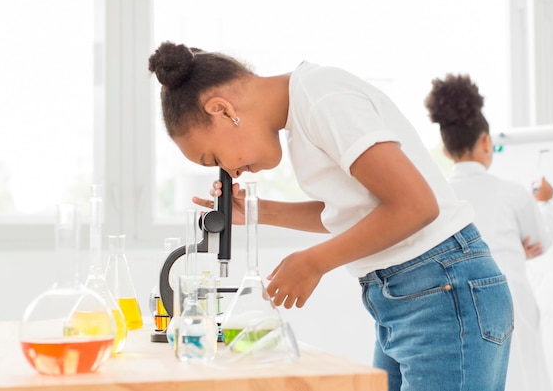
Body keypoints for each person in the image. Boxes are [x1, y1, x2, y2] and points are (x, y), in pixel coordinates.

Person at [148, 42, 513, 390]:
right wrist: (260, 212)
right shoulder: (301, 121)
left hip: (442, 287)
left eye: (213, 158)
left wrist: (315, 262)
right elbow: (359, 210)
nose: (229, 171)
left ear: (222, 109)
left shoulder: (322, 97)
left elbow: (416, 205)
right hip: (409, 294)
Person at [425, 73, 553, 391]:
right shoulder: (512, 193)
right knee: (525, 377)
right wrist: (547, 204)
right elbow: (541, 241)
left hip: (457, 304)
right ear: (486, 141)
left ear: (445, 150)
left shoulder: (436, 197)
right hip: (510, 300)